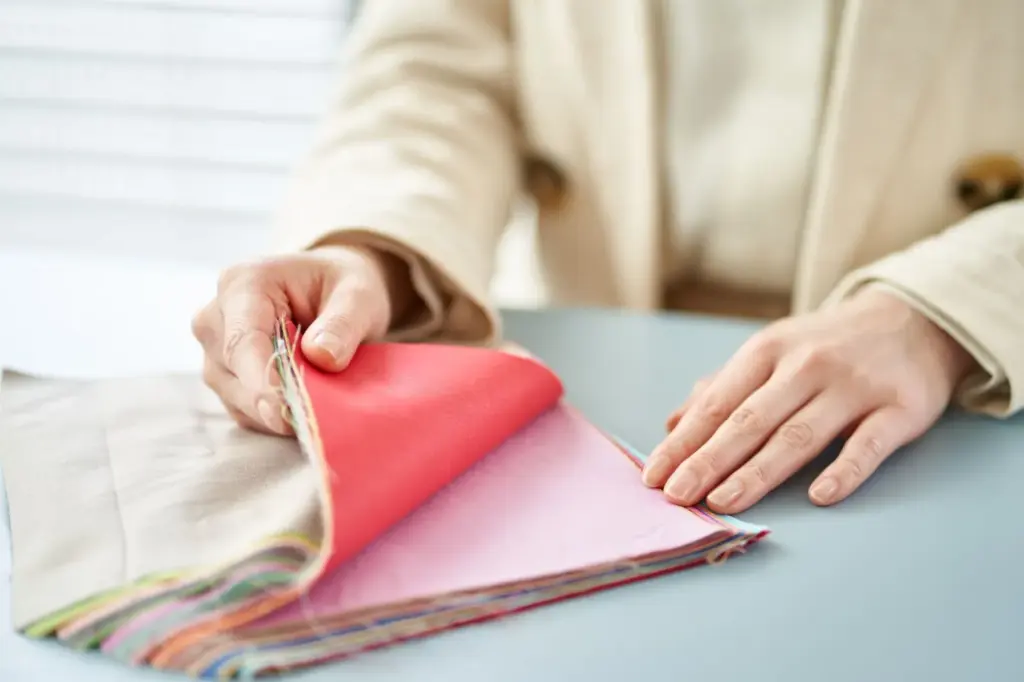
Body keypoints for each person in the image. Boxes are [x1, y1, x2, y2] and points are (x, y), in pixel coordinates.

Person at [191, 0, 1024, 515]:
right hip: (592, 365)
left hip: (968, 394)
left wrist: (941, 315)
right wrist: (371, 246)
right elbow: (438, 69)